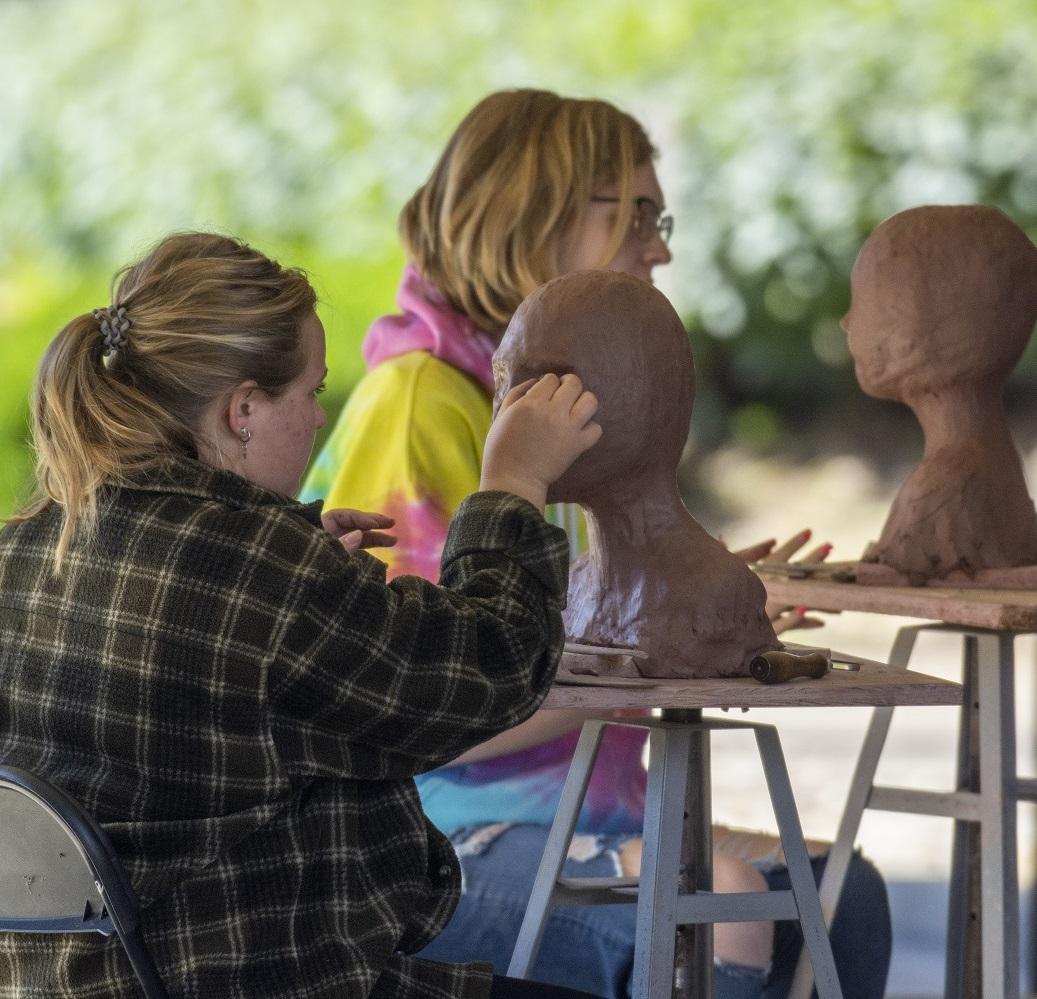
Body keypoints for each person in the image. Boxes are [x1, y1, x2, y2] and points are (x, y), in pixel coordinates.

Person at [301, 90, 891, 998]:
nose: (660, 245)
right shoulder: (422, 400)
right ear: (531, 215)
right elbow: (403, 719)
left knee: (843, 892)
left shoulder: (549, 401)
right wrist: (649, 652)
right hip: (432, 838)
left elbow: (537, 617)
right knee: (732, 905)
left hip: (579, 813)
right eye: (638, 215)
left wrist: (683, 584)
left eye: (663, 216)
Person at [0, 231, 611, 999]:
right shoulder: (259, 568)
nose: (319, 420)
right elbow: (491, 669)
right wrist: (513, 481)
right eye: (312, 393)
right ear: (244, 408)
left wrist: (297, 568)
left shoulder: (22, 549)